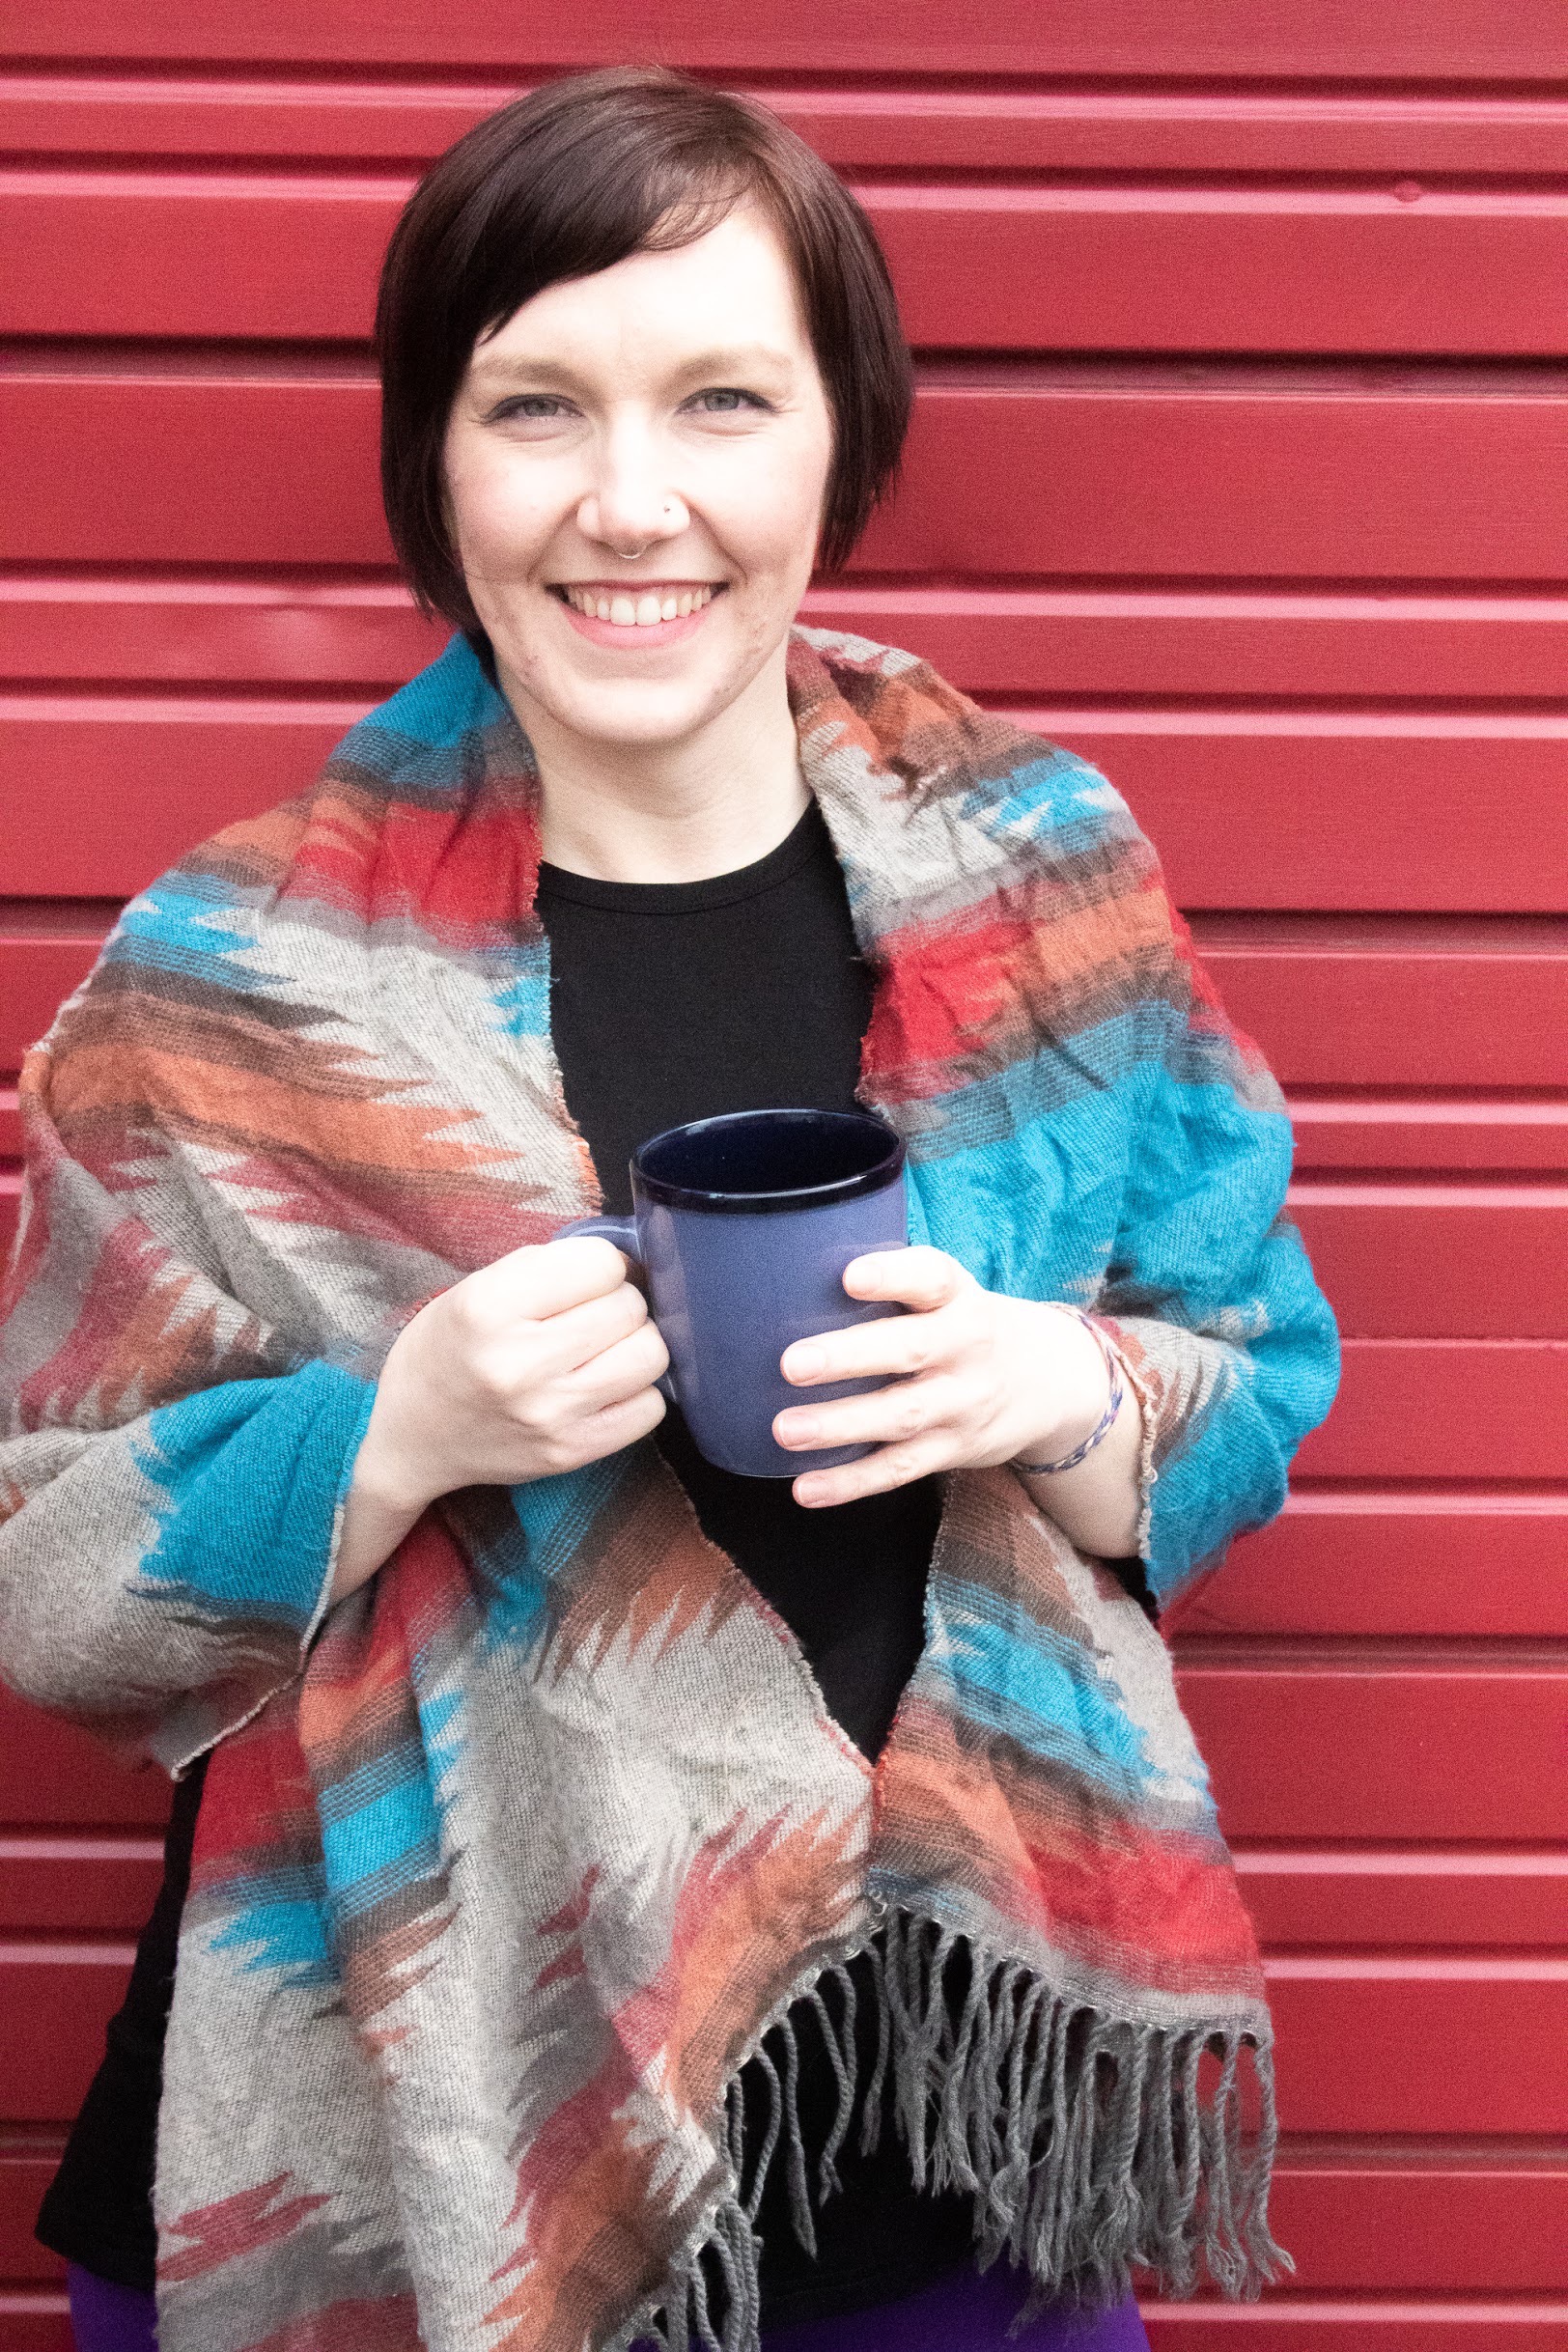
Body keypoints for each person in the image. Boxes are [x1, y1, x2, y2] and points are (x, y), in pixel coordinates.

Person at [2, 65, 1340, 2352]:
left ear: (839, 438)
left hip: (946, 2179)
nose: (631, 503)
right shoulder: (227, 980)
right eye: (535, 406)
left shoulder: (1040, 878)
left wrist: (1053, 1389)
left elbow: (1248, 1382)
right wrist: (389, 1435)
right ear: (436, 458)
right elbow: (48, 1588)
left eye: (722, 398)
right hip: (407, 2178)